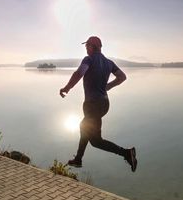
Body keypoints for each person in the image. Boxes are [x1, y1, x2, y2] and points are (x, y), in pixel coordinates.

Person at [59, 36, 137, 172]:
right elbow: (122, 77)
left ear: (92, 46)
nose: (85, 49)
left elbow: (79, 73)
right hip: (104, 104)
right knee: (91, 136)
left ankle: (126, 153)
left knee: (90, 133)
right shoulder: (109, 63)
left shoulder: (88, 59)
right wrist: (107, 87)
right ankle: (78, 159)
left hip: (92, 104)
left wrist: (67, 88)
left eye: (87, 46)